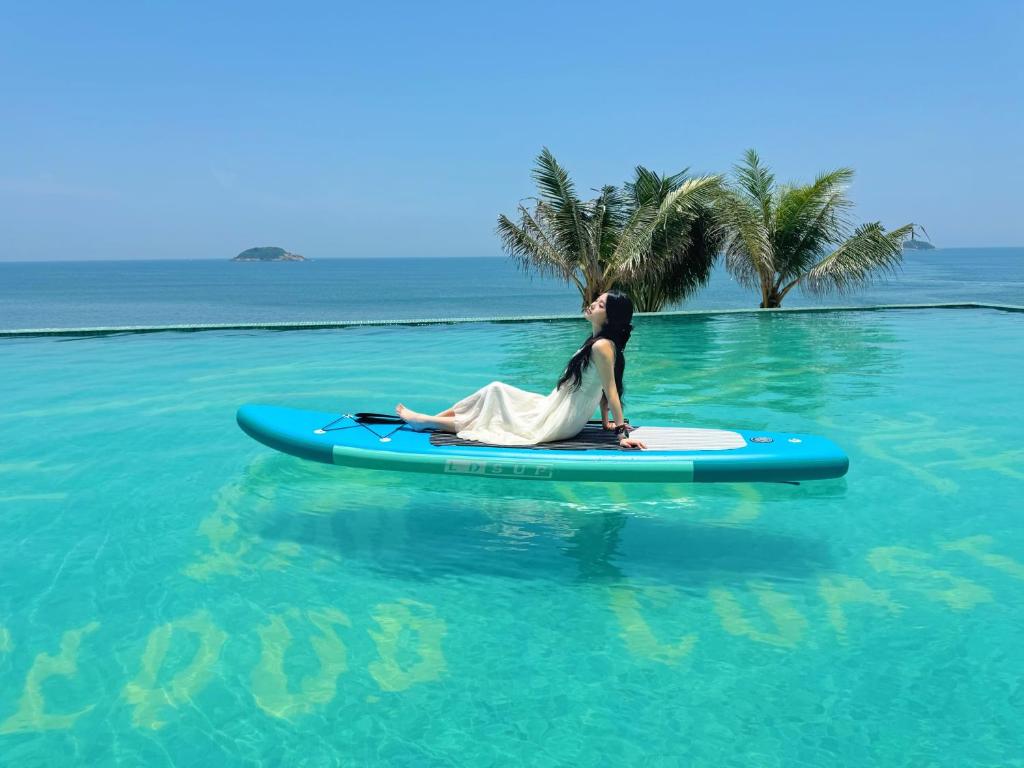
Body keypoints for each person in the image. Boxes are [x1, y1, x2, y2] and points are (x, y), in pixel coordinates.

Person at [395, 291, 647, 450]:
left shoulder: (602, 346)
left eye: (600, 305)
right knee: (494, 390)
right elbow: (604, 388)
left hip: (560, 419)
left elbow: (611, 390)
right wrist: (605, 423)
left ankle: (427, 422)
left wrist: (621, 433)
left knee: (496, 414)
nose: (592, 305)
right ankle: (432, 419)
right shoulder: (596, 342)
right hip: (555, 406)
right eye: (597, 300)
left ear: (610, 317)